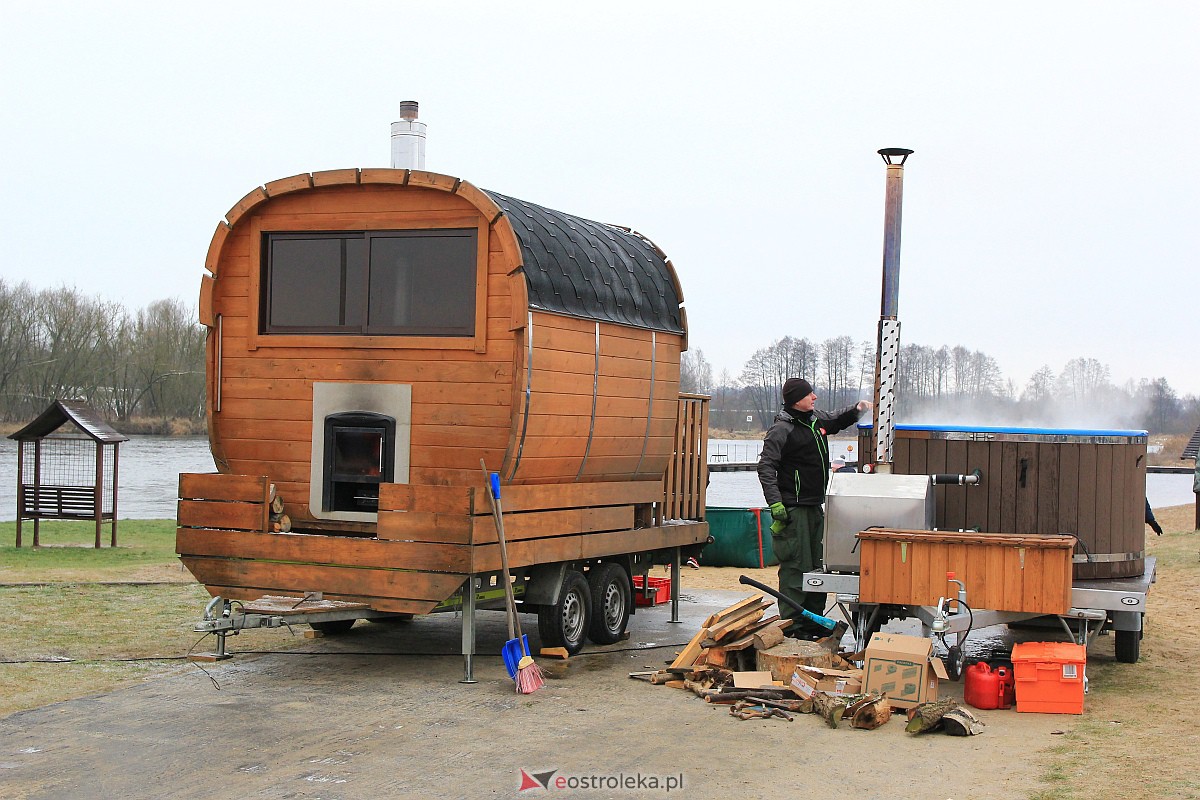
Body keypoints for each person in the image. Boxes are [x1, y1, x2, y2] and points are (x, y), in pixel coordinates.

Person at [757, 378, 871, 637]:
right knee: (796, 569)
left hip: (814, 507)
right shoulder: (781, 429)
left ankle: (815, 624)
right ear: (796, 398)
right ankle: (794, 627)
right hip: (793, 510)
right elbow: (766, 467)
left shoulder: (815, 420)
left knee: (818, 568)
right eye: (810, 394)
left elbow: (836, 420)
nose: (815, 397)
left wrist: (857, 409)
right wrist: (776, 503)